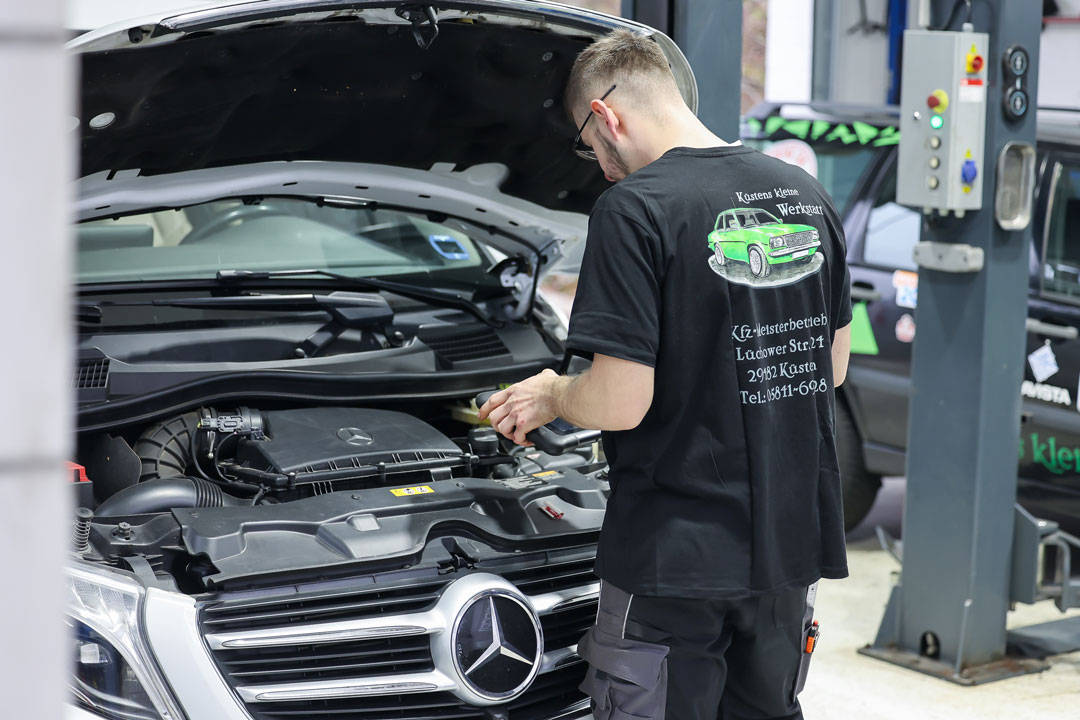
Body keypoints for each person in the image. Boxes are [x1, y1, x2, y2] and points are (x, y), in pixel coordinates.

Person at [478, 29, 851, 720]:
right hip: (788, 546)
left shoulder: (635, 210)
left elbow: (620, 402)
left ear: (606, 114)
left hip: (675, 557)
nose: (599, 165)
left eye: (588, 147)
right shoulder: (803, 195)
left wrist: (554, 393)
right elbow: (830, 367)